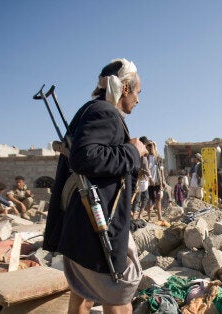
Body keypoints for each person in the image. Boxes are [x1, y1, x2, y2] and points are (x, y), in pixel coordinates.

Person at [43, 59, 146, 313]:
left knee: (83, 295)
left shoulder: (92, 109)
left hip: (81, 228)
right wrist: (133, 151)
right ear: (125, 89)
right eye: (138, 92)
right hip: (95, 229)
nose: (138, 100)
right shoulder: (104, 112)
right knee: (119, 297)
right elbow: (85, 158)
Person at [140, 141, 166, 222]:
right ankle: (149, 217)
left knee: (158, 199)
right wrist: (150, 178)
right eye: (148, 145)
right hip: (148, 181)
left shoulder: (158, 157)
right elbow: (144, 169)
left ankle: (160, 217)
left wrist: (163, 180)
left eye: (151, 145)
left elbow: (161, 170)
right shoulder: (145, 157)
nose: (150, 147)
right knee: (149, 199)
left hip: (157, 180)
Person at [132, 136, 150, 217]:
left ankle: (135, 214)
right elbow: (145, 169)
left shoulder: (135, 152)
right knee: (143, 197)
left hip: (137, 178)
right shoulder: (142, 154)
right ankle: (137, 215)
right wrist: (150, 177)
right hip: (141, 179)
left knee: (137, 198)